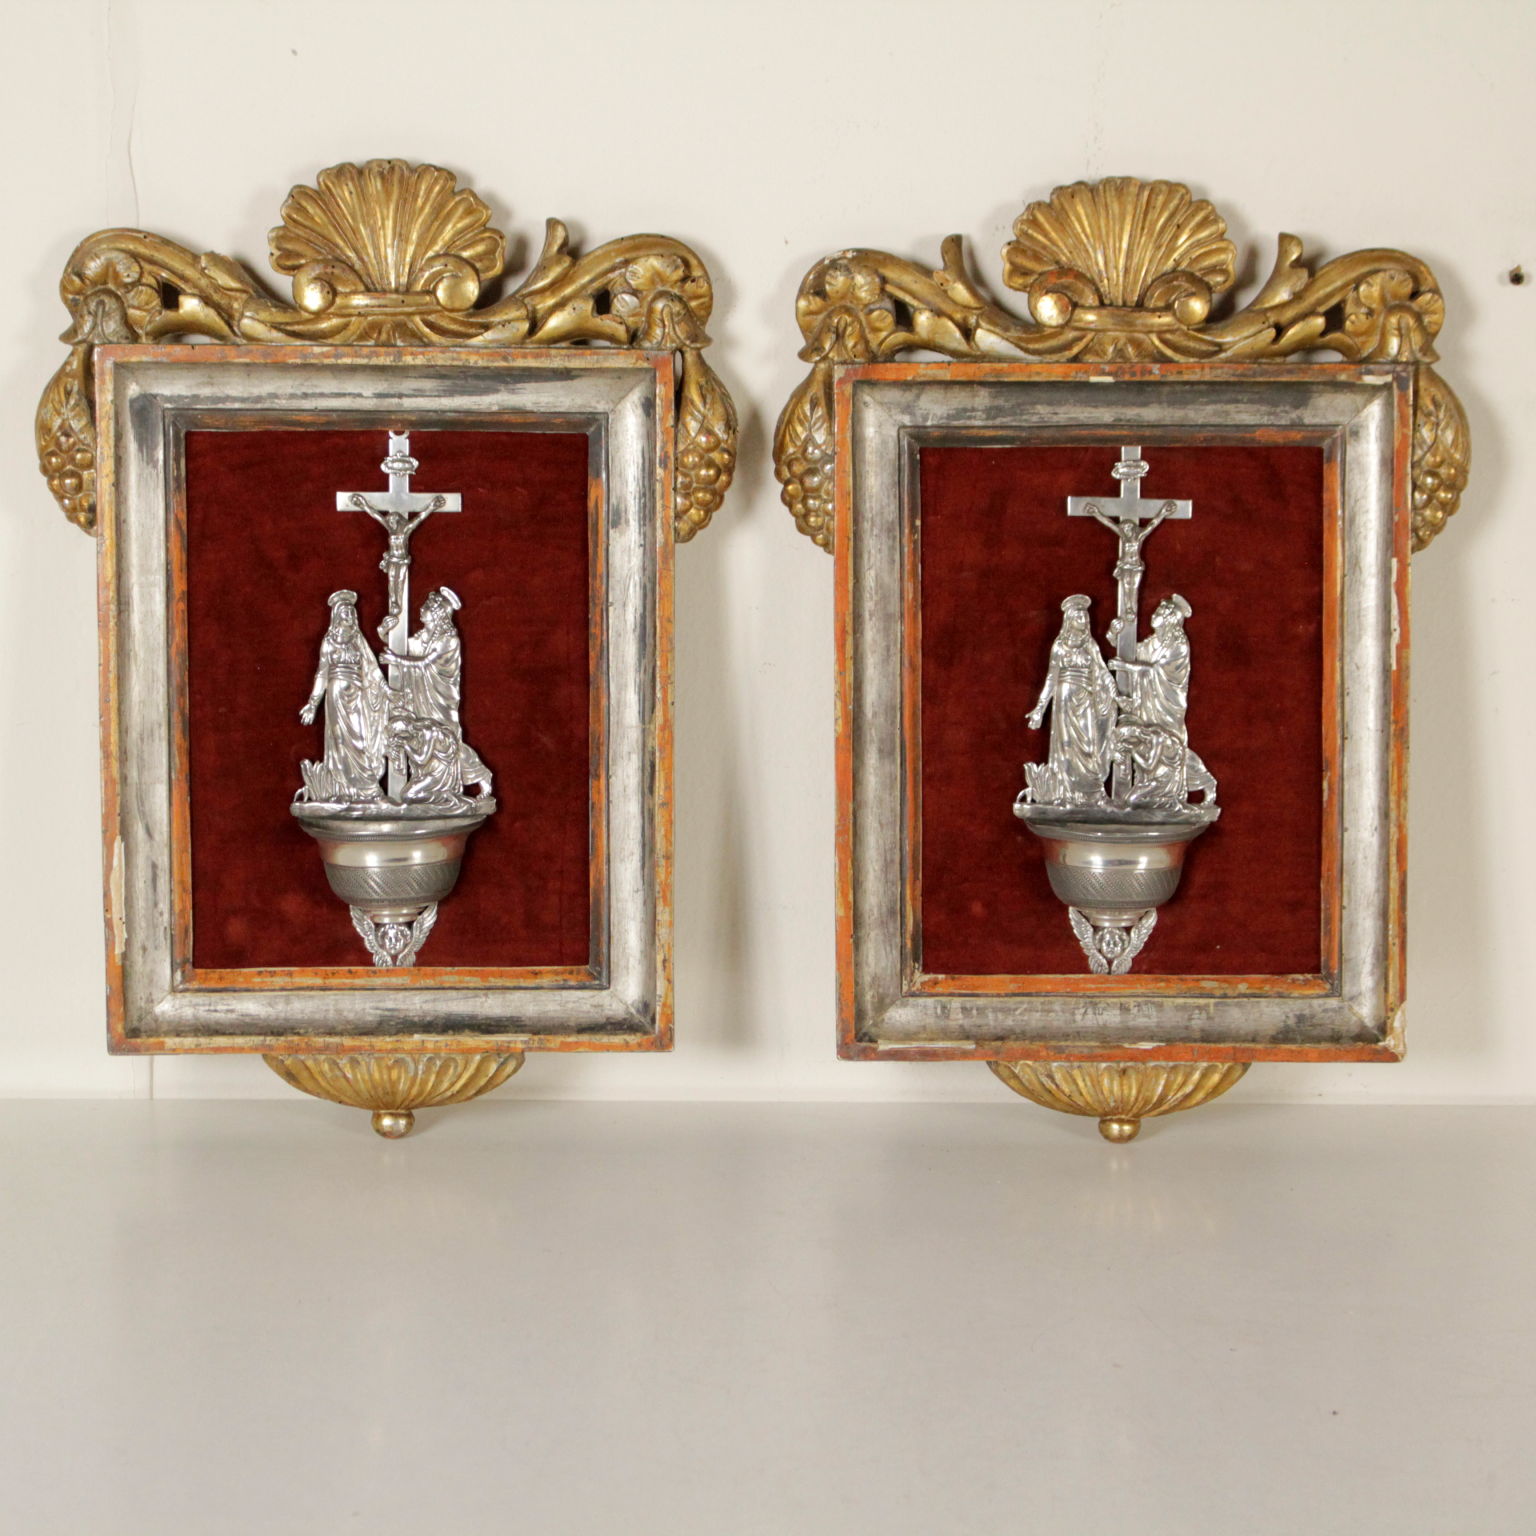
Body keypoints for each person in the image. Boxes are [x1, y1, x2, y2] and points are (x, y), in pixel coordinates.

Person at [383, 587, 493, 798]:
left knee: (448, 738)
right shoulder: (424, 636)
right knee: (422, 734)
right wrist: (383, 631)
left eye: (426, 607)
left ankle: (480, 775)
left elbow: (425, 662)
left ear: (438, 613)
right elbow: (402, 645)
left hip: (441, 697)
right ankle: (428, 781)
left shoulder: (449, 639)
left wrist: (396, 660)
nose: (421, 610)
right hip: (421, 694)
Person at [1024, 595, 1118, 807]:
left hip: (1086, 699)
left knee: (1089, 745)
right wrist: (1040, 709)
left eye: (1085, 616)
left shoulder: (1090, 645)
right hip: (1065, 700)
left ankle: (1092, 794)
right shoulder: (1060, 646)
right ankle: (1067, 794)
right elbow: (1051, 679)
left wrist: (1112, 688)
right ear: (1069, 619)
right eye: (1078, 616)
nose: (1083, 620)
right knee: (1066, 748)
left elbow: (1101, 670)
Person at [297, 590, 389, 804]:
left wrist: (385, 689)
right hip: (336, 696)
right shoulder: (329, 641)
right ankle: (344, 789)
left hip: (357, 695)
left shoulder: (358, 640)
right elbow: (322, 673)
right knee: (340, 740)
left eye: (351, 611)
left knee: (361, 737)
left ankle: (365, 788)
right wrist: (312, 704)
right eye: (345, 611)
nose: (348, 614)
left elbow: (371, 668)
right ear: (337, 615)